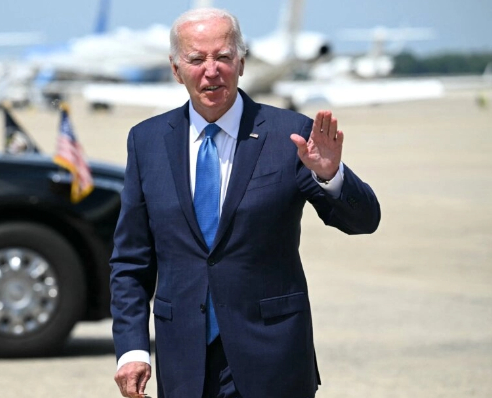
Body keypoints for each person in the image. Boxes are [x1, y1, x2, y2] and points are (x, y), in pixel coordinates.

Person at [110, 7, 381, 398]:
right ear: (175, 68)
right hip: (184, 362)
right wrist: (132, 349)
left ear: (241, 63)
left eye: (222, 57)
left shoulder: (291, 135)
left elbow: (364, 220)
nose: (211, 70)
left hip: (272, 359)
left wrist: (330, 176)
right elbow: (130, 261)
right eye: (196, 59)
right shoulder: (146, 141)